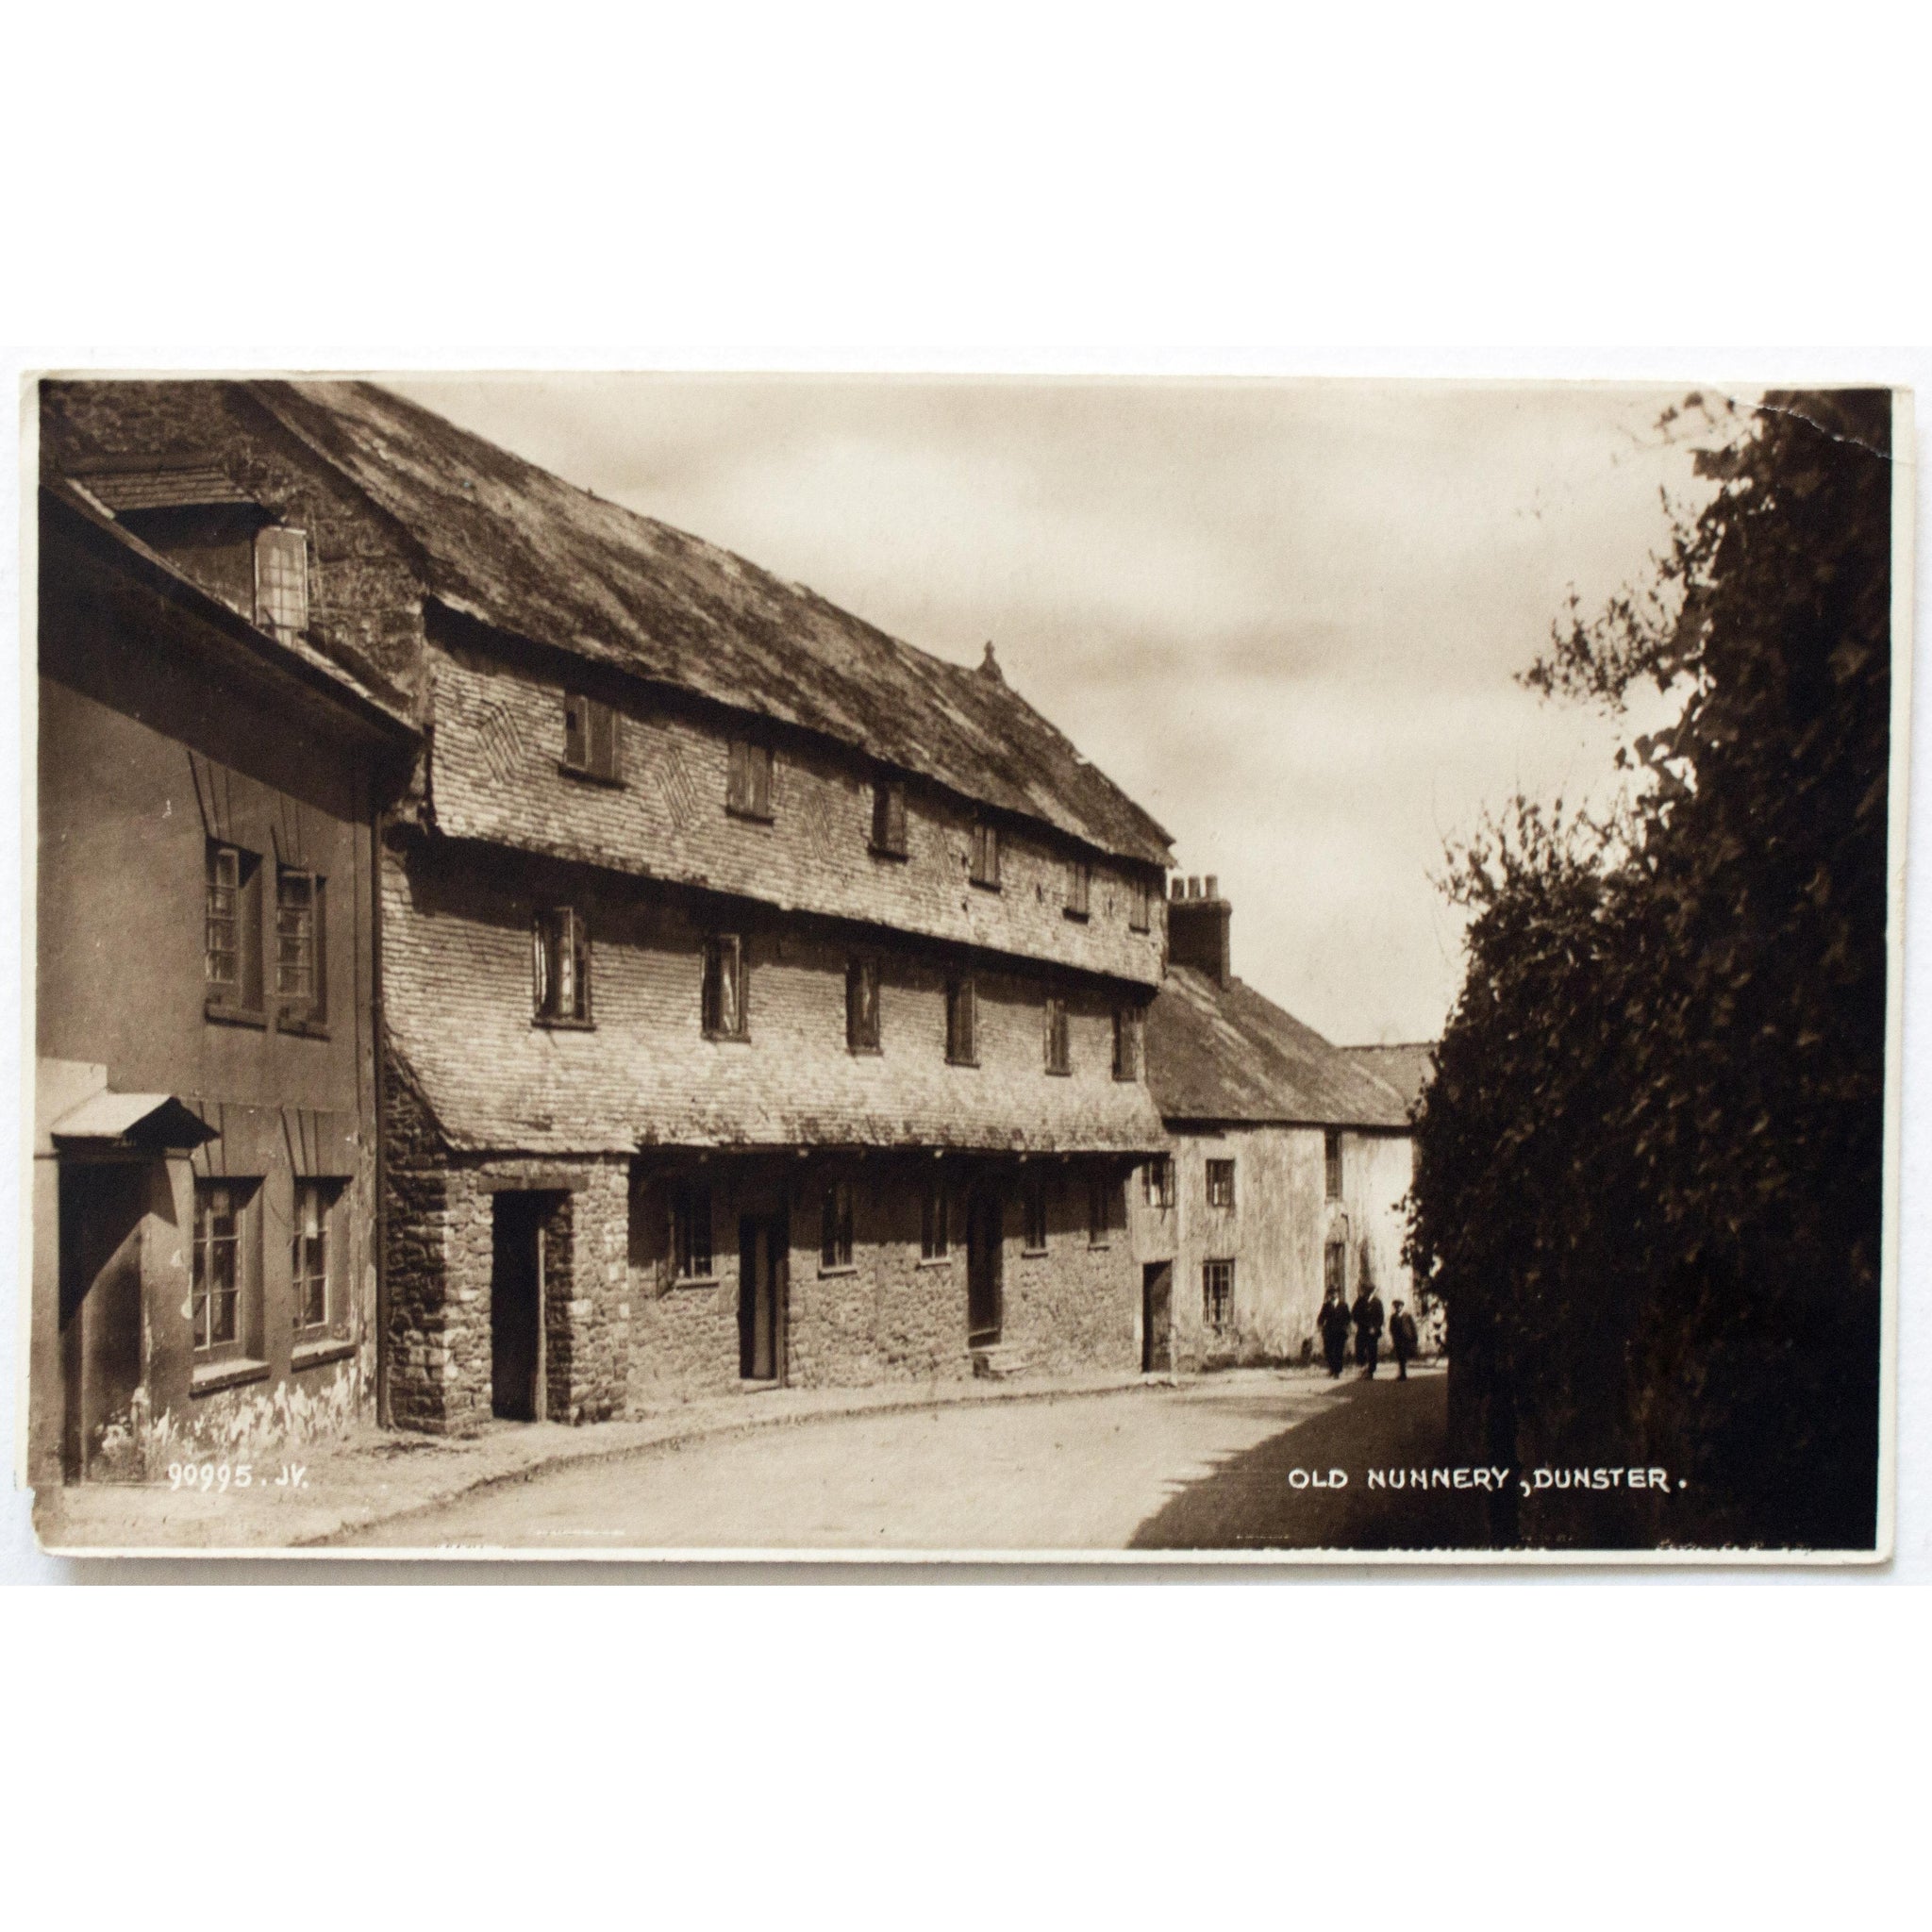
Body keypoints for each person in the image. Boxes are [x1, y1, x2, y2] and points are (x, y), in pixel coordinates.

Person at [1352, 1282, 1385, 1378]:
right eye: (1367, 1290)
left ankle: (1370, 1371)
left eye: (1371, 1291)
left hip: (1373, 1332)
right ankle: (1362, 1368)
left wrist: (1375, 1328)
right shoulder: (1360, 1301)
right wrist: (1360, 1323)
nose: (1369, 1293)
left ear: (1373, 1291)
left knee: (1372, 1351)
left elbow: (1380, 1317)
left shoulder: (1377, 1302)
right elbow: (1354, 1314)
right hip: (1362, 1329)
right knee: (1360, 1349)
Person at [1317, 1287, 1352, 1378]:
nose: (1333, 1295)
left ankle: (1337, 1371)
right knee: (1328, 1351)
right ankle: (1332, 1368)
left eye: (1334, 1293)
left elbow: (1348, 1318)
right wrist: (1320, 1325)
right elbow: (1321, 1317)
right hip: (1329, 1332)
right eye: (1331, 1293)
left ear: (1337, 1294)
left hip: (1340, 1332)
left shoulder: (1343, 1305)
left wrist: (1346, 1327)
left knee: (1338, 1352)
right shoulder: (1326, 1305)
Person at [1390, 1299, 1420, 1380]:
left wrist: (1415, 1337)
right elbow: (1391, 1328)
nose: (1398, 1308)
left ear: (1402, 1307)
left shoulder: (1407, 1315)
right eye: (1396, 1306)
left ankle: (1403, 1373)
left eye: (1399, 1306)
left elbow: (1413, 1327)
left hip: (1406, 1338)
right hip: (1398, 1339)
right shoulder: (1393, 1317)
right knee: (1400, 1356)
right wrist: (1393, 1337)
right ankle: (1402, 1373)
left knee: (1404, 1356)